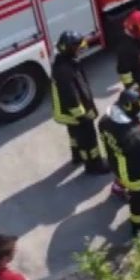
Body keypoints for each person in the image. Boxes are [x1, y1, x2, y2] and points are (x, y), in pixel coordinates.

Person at [98, 89, 140, 236]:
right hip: (135, 177)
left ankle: (119, 189)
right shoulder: (137, 136)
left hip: (115, 162)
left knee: (124, 176)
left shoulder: (105, 120)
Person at [51, 30, 109, 175]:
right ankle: (94, 165)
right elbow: (71, 97)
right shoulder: (65, 69)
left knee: (75, 135)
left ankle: (77, 156)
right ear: (70, 48)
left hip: (69, 113)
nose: (81, 48)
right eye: (78, 46)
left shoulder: (64, 62)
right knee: (88, 140)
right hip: (76, 113)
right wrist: (83, 116)